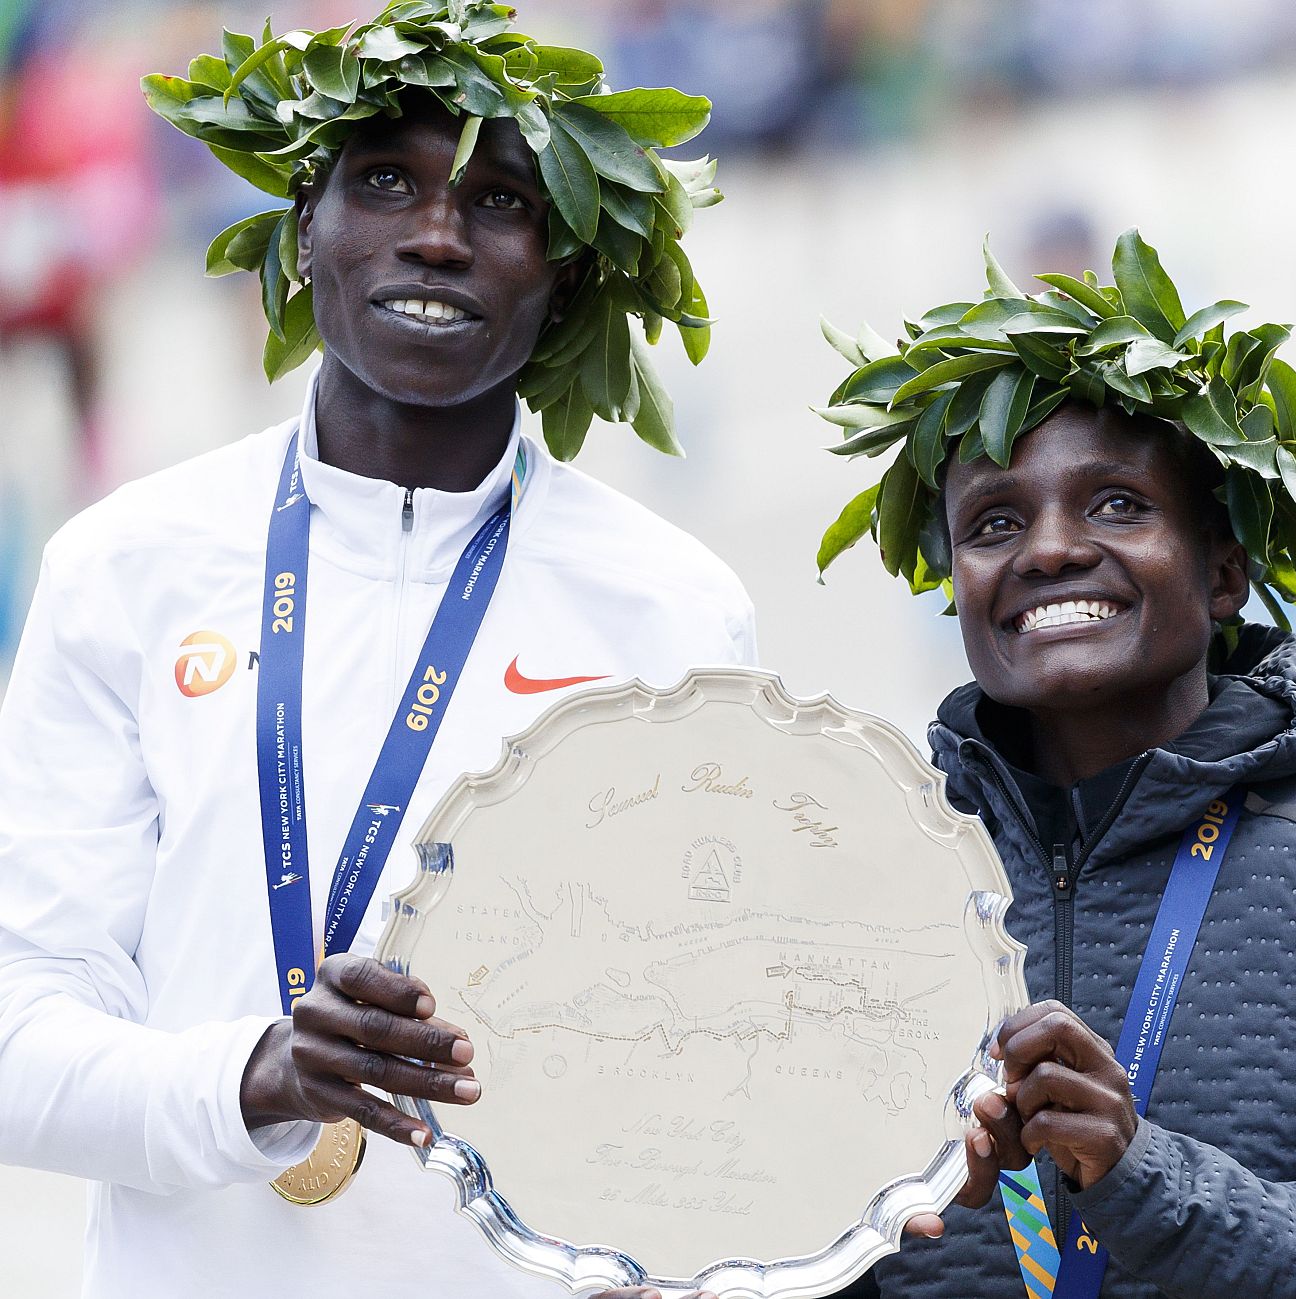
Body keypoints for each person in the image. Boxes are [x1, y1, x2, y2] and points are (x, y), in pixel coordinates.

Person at [0, 5, 746, 1297]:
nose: (439, 233)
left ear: (568, 272)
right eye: (387, 181)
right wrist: (258, 1075)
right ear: (304, 227)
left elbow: (715, 1042)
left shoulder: (671, 608)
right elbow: (17, 1036)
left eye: (502, 200)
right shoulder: (123, 569)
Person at [814, 231, 1296, 1298]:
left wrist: (1150, 1183)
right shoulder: (858, 872)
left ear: (1224, 571)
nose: (1048, 548)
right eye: (993, 523)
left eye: (1116, 504)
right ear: (957, 588)